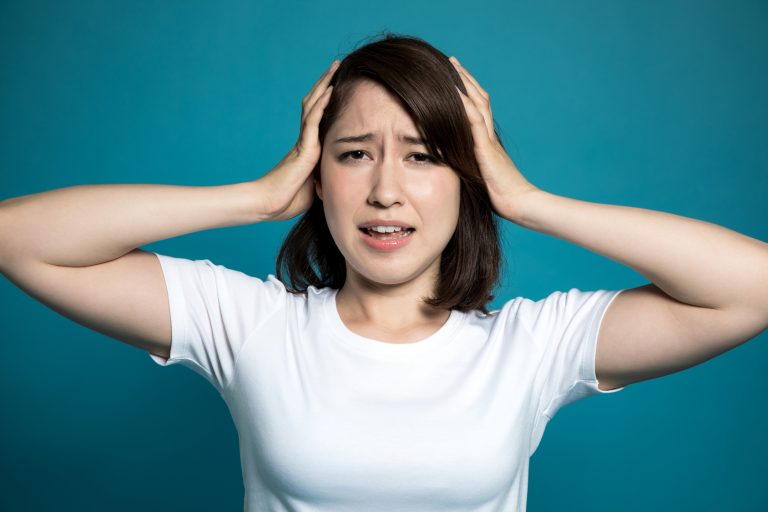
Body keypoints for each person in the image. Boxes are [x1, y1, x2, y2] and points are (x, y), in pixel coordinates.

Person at [1, 32, 766, 512]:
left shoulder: (531, 347)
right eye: (356, 152)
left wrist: (528, 201)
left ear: (468, 179)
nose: (385, 190)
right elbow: (17, 239)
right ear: (318, 176)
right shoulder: (251, 323)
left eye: (424, 156)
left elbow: (751, 288)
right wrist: (257, 196)